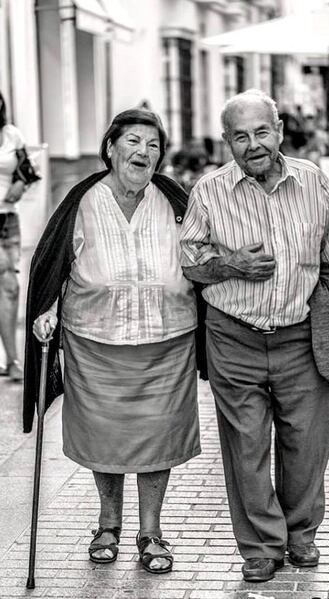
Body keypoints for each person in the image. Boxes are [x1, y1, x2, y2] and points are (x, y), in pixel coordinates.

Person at [180, 89, 329, 583]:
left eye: (261, 131)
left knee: (307, 443)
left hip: (301, 335)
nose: (253, 143)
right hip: (233, 337)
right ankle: (261, 545)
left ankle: (301, 535)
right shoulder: (208, 191)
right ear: (226, 142)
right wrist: (229, 264)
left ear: (279, 132)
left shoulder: (312, 180)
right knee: (246, 446)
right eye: (240, 136)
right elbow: (189, 263)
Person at [24, 108, 201, 572]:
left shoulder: (175, 201)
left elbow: (202, 258)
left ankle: (151, 532)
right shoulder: (81, 202)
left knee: (158, 438)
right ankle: (108, 524)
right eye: (134, 142)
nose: (144, 152)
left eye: (154, 145)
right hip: (95, 340)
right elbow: (54, 265)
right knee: (105, 438)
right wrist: (47, 311)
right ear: (110, 147)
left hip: (167, 339)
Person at [0, 92, 28, 382]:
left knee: (9, 287)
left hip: (8, 218)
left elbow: (26, 170)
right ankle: (10, 360)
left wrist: (19, 184)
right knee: (6, 279)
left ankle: (11, 359)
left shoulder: (11, 134)